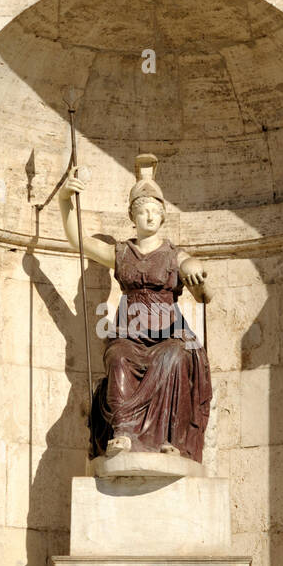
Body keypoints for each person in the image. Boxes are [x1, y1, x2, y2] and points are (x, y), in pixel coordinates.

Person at [57, 154, 213, 462]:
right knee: (117, 356)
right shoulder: (121, 253)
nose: (150, 217)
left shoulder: (173, 255)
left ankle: (172, 440)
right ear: (133, 216)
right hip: (130, 334)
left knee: (175, 357)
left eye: (155, 211)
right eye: (143, 211)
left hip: (168, 333)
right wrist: (65, 199)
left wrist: (197, 274)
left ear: (163, 216)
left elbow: (205, 295)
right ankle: (123, 433)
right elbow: (78, 240)